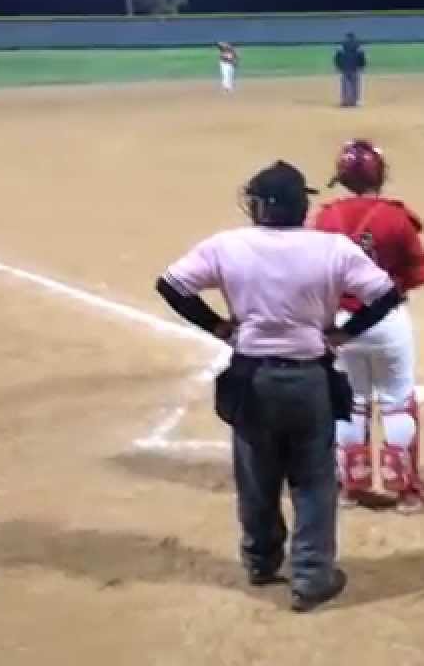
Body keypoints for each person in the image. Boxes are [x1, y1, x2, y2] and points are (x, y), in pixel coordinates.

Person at [156, 160, 403, 612]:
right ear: (299, 206)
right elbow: (387, 294)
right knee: (312, 480)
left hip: (252, 377)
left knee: (256, 476)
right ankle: (311, 578)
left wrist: (216, 325)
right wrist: (345, 333)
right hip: (310, 377)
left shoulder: (226, 245)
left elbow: (171, 285)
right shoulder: (333, 248)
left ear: (258, 206)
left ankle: (261, 561)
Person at [313, 140, 424, 513]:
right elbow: (420, 273)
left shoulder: (324, 218)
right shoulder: (396, 218)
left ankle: (352, 486)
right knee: (397, 401)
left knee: (352, 404)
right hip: (387, 322)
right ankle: (405, 491)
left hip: (341, 326)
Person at [334, 33, 367, 107]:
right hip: (355, 68)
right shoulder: (358, 45)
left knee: (345, 85)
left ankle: (345, 101)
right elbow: (362, 56)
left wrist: (338, 66)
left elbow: (337, 57)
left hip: (344, 68)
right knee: (355, 85)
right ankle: (354, 102)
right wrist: (362, 66)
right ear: (354, 38)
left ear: (346, 37)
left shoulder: (341, 45)